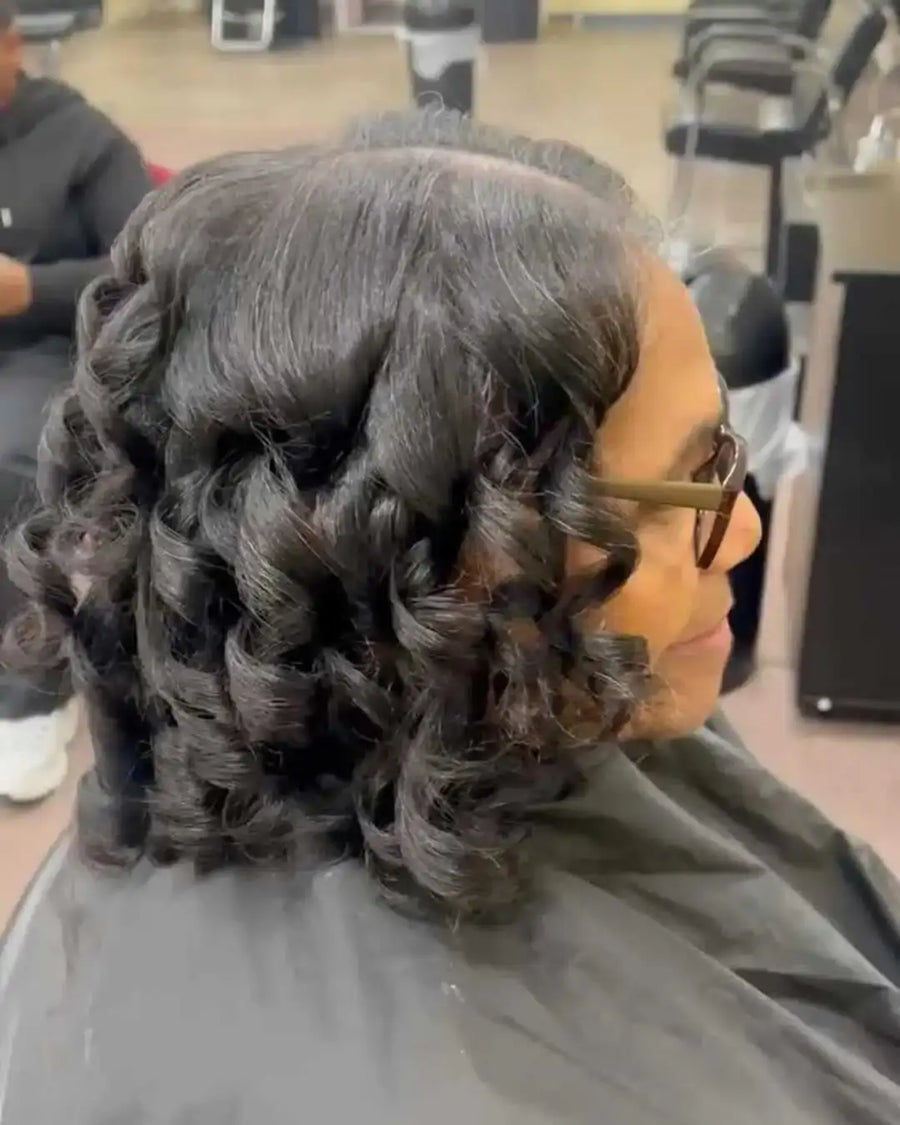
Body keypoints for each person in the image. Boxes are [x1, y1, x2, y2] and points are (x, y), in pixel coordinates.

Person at [0, 111, 898, 1122]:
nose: (742, 533)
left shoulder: (536, 681)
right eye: (676, 492)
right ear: (411, 564)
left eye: (720, 457)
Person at [0, 0, 152, 800]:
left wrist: (32, 287)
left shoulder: (81, 140)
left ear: (10, 47)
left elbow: (145, 269)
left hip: (45, 346)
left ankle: (32, 689)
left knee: (9, 459)